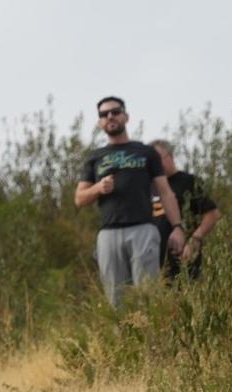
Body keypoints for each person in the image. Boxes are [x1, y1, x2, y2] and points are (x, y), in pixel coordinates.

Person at [75, 96, 184, 307]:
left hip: (143, 228)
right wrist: (98, 188)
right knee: (117, 300)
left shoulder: (146, 152)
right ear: (100, 123)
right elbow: (79, 198)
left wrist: (177, 227)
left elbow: (165, 192)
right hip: (109, 234)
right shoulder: (95, 157)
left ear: (125, 116)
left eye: (115, 112)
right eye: (104, 115)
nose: (110, 117)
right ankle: (124, 340)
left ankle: (152, 340)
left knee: (148, 296)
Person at [149, 139, 222, 280]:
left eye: (157, 159)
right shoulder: (148, 186)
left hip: (183, 257)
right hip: (153, 260)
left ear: (170, 156)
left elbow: (212, 214)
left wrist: (195, 239)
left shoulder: (189, 181)